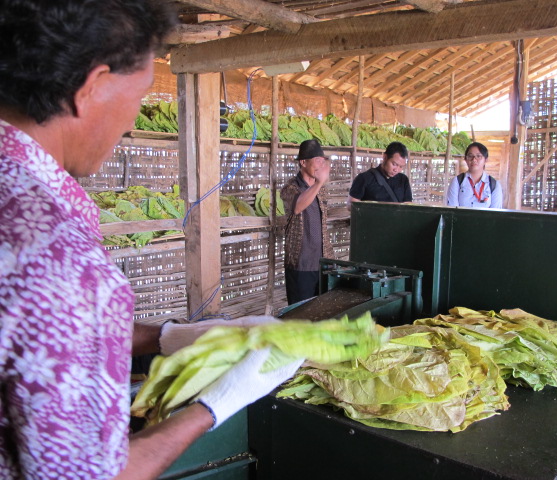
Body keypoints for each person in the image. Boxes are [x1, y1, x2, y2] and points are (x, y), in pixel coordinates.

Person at [0, 2, 301, 479]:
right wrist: (215, 405)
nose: (130, 121)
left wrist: (166, 337)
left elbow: (33, 336)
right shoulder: (57, 254)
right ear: (93, 86)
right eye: (139, 92)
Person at [281, 139, 335, 305]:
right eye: (317, 160)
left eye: (323, 161)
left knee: (323, 311)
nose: (320, 165)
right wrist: (319, 183)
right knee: (300, 313)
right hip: (301, 264)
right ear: (303, 162)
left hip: (323, 263)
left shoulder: (321, 190)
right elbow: (298, 207)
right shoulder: (290, 188)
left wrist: (319, 184)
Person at [348, 141, 413, 206]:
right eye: (394, 164)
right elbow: (351, 205)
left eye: (401, 167)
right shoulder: (364, 178)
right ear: (385, 157)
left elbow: (408, 205)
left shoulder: (403, 180)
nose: (396, 170)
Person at [446, 142, 503, 209]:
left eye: (478, 156)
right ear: (466, 159)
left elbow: (495, 212)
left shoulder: (494, 185)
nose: (474, 159)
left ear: (486, 160)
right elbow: (452, 210)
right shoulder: (457, 181)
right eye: (470, 156)